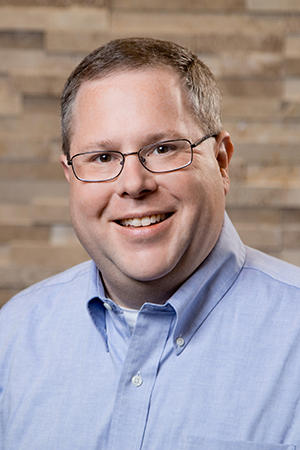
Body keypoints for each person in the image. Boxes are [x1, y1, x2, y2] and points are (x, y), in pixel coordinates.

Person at [1, 37, 300, 450]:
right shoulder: (13, 334)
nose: (134, 185)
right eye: (102, 157)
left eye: (163, 149)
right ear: (69, 176)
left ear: (222, 162)